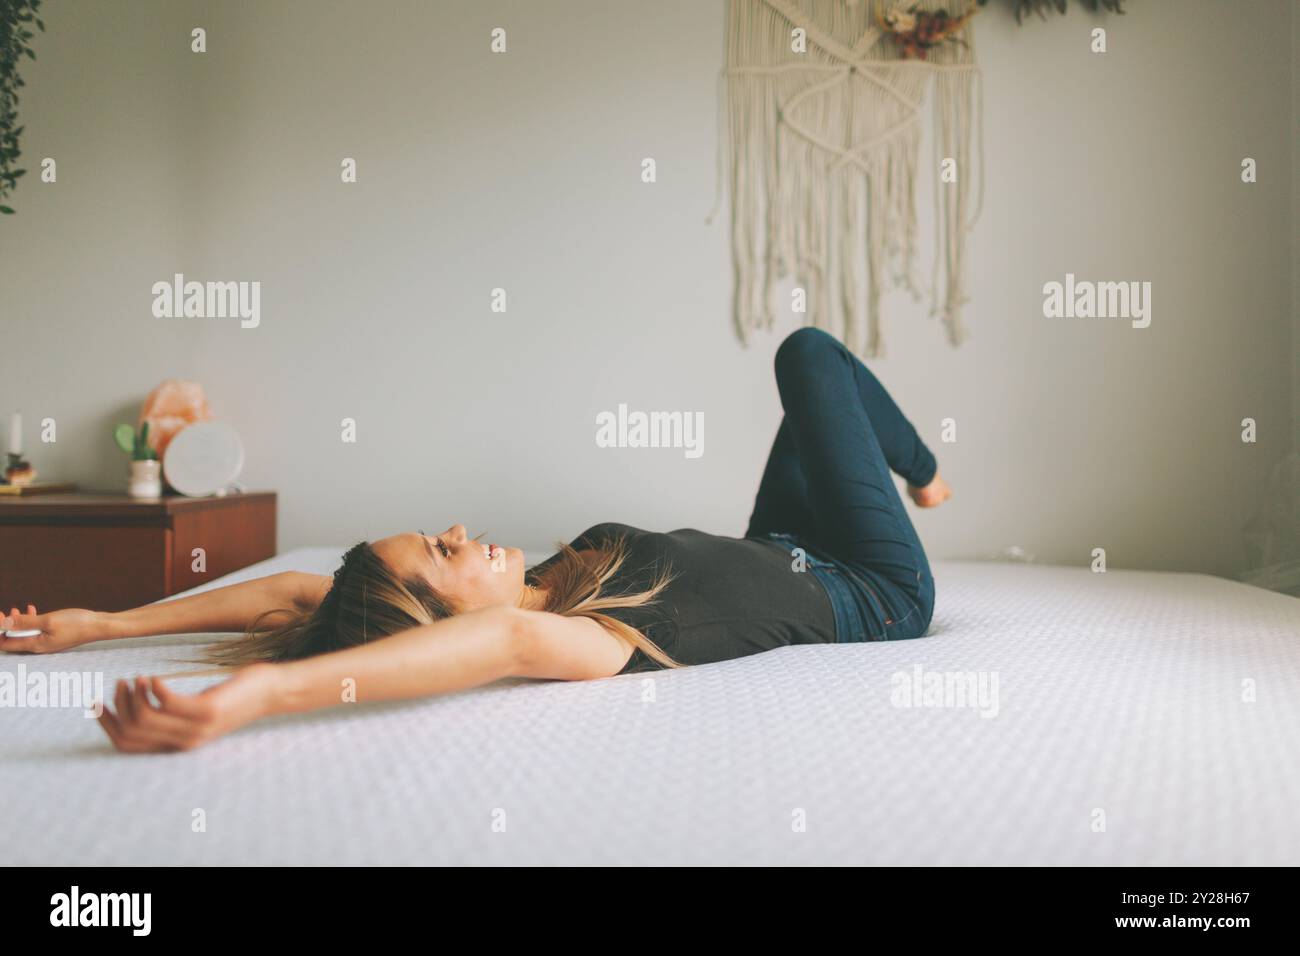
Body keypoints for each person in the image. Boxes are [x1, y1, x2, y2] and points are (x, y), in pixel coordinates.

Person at [1, 328, 950, 753]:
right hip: (873, 586)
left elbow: (293, 593)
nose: (459, 532)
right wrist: (252, 695)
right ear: (436, 620)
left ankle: (911, 465)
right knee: (810, 357)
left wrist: (102, 624)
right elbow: (499, 642)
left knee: (815, 392)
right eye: (442, 558)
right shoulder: (589, 640)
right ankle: (925, 471)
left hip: (781, 536)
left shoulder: (545, 579)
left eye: (437, 535)